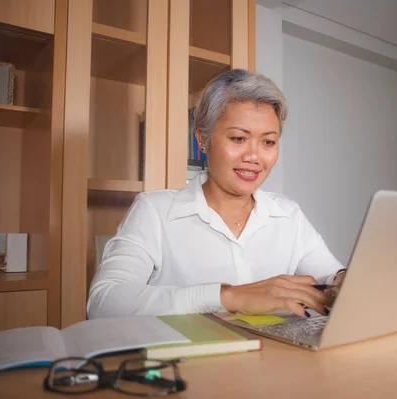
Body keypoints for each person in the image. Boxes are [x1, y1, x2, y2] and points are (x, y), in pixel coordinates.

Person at [87, 69, 346, 319]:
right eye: (238, 139)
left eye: (268, 142)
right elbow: (104, 303)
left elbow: (331, 275)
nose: (254, 157)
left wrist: (343, 280)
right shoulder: (155, 211)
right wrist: (228, 297)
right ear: (203, 140)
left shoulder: (288, 214)